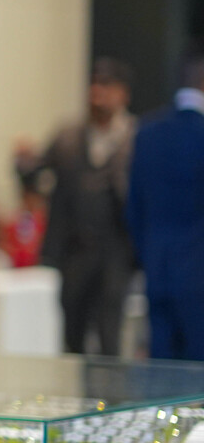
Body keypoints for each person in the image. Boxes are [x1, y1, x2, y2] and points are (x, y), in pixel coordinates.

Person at [14, 57, 137, 355]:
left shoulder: (135, 137)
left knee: (109, 331)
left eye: (107, 86)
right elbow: (36, 173)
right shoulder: (68, 137)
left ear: (123, 94)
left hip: (116, 249)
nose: (98, 94)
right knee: (72, 330)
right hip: (75, 249)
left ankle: (110, 385)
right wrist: (23, 163)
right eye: (94, 85)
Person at [126, 49, 204, 361]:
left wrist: (148, 255)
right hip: (198, 271)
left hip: (157, 266)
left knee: (160, 366)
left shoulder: (147, 131)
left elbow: (134, 207)